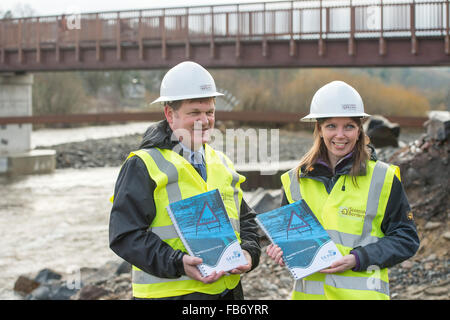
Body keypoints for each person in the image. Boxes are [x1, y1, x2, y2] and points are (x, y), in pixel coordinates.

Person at [109, 61, 261, 300]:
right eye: (194, 113)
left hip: (228, 293)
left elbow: (245, 220)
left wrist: (250, 253)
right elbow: (124, 236)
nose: (205, 120)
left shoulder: (221, 162)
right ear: (170, 114)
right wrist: (178, 262)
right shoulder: (143, 164)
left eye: (209, 112)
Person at [266, 80, 419, 300]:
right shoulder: (295, 180)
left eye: (349, 126)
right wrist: (280, 250)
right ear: (319, 129)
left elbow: (406, 238)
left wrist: (358, 258)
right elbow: (287, 242)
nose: (340, 135)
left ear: (359, 130)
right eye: (331, 126)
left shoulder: (382, 178)